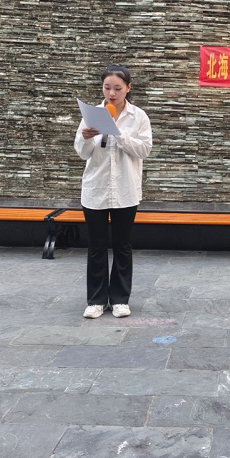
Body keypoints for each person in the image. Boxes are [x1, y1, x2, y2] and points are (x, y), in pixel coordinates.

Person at [74, 65, 152, 319]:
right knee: (96, 247)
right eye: (107, 87)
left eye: (118, 88)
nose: (112, 93)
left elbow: (144, 150)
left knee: (122, 246)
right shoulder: (92, 115)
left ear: (128, 88)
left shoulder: (138, 117)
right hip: (95, 188)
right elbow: (82, 153)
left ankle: (119, 299)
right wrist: (86, 137)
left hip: (125, 190)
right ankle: (96, 301)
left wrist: (118, 135)